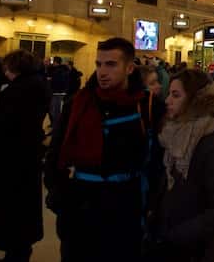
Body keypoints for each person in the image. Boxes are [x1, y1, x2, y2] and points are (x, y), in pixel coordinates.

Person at [44, 37, 158, 262]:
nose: (102, 71)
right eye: (98, 64)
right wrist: (60, 196)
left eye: (111, 64)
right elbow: (56, 154)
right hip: (81, 205)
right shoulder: (78, 103)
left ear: (129, 68)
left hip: (125, 207)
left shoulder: (146, 105)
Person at [146, 70, 214, 262]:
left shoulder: (213, 142)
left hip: (196, 249)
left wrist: (178, 235)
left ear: (195, 100)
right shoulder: (173, 135)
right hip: (170, 243)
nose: (167, 101)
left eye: (176, 95)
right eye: (169, 93)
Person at [0, 50, 49, 262]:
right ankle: (16, 252)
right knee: (19, 214)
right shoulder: (33, 84)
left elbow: (8, 121)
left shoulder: (23, 88)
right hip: (23, 160)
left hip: (13, 162)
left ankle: (16, 254)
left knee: (14, 214)